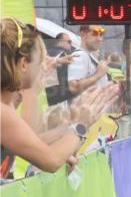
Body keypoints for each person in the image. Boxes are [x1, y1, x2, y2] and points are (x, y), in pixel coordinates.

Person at [1, 18, 84, 179]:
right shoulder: (3, 111)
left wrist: (64, 139)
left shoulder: (6, 104)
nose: (42, 68)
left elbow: (32, 141)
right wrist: (82, 125)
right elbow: (50, 161)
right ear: (24, 64)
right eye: (39, 62)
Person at [67, 25, 110, 96]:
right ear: (83, 35)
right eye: (95, 34)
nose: (99, 39)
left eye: (101, 34)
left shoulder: (88, 56)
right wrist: (98, 75)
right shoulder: (80, 55)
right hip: (86, 106)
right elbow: (73, 87)